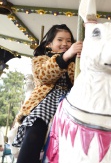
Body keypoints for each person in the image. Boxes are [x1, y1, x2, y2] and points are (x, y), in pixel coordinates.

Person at [12, 24, 83, 163]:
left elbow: (80, 82)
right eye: (60, 40)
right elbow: (44, 75)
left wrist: (83, 58)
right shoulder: (41, 59)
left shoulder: (77, 63)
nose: (65, 44)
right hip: (48, 99)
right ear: (50, 44)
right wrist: (66, 56)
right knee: (37, 124)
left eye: (69, 41)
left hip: (71, 99)